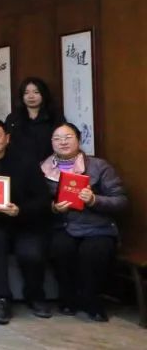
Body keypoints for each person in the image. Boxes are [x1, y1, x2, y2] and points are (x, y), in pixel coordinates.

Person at [0, 117, 53, 324]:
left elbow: (42, 199)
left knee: (30, 252)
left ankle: (35, 296)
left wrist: (19, 210)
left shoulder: (25, 161)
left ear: (7, 138)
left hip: (23, 220)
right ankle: (1, 299)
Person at [43, 123, 127, 322]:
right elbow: (36, 201)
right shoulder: (43, 168)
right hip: (63, 225)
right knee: (60, 248)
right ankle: (68, 299)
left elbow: (121, 200)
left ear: (79, 140)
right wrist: (54, 207)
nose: (63, 142)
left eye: (68, 137)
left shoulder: (99, 166)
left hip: (97, 227)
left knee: (93, 252)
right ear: (51, 143)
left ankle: (92, 301)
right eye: (57, 138)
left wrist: (94, 200)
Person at [6, 78, 65, 165]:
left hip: (50, 165)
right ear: (22, 96)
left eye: (36, 92)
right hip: (20, 165)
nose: (31, 96)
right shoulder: (13, 118)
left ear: (43, 94)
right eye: (26, 93)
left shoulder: (55, 116)